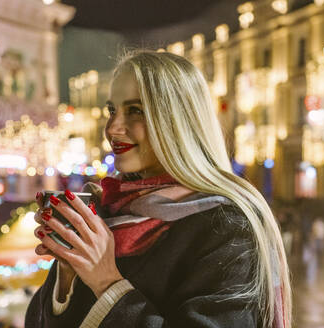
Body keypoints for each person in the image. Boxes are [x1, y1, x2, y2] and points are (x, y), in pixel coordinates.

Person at [25, 50, 291, 328]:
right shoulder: (107, 210)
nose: (113, 128)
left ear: (177, 121)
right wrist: (69, 274)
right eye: (112, 110)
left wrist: (106, 282)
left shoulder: (228, 227)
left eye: (135, 111)